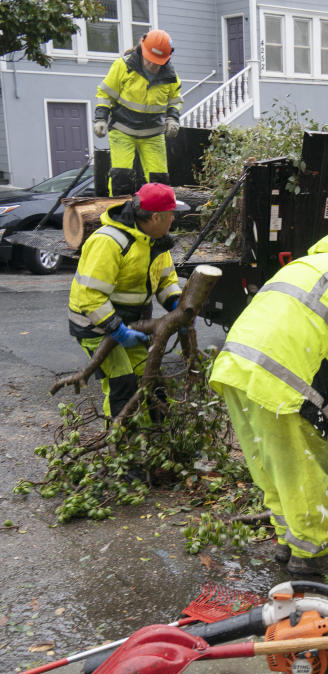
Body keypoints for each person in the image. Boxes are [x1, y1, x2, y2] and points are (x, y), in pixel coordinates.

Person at [209, 228, 328, 576]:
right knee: (303, 467)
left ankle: (291, 542)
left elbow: (318, 351)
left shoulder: (309, 265)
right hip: (278, 378)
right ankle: (316, 553)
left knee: (273, 468)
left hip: (236, 369)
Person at [68, 183, 190, 418]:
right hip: (95, 326)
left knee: (150, 379)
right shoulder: (108, 242)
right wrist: (117, 330)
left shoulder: (156, 242)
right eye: (171, 214)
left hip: (130, 324)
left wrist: (177, 305)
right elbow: (90, 297)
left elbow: (165, 281)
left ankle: (155, 439)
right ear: (155, 217)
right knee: (122, 385)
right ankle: (121, 443)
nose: (173, 219)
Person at [93, 29, 182, 196]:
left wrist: (172, 118)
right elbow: (105, 94)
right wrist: (100, 118)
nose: (154, 66)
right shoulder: (123, 66)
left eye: (158, 62)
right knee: (121, 177)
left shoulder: (171, 76)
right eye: (150, 61)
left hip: (153, 133)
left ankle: (157, 217)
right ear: (142, 52)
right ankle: (119, 214)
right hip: (123, 130)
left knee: (160, 181)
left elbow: (175, 100)